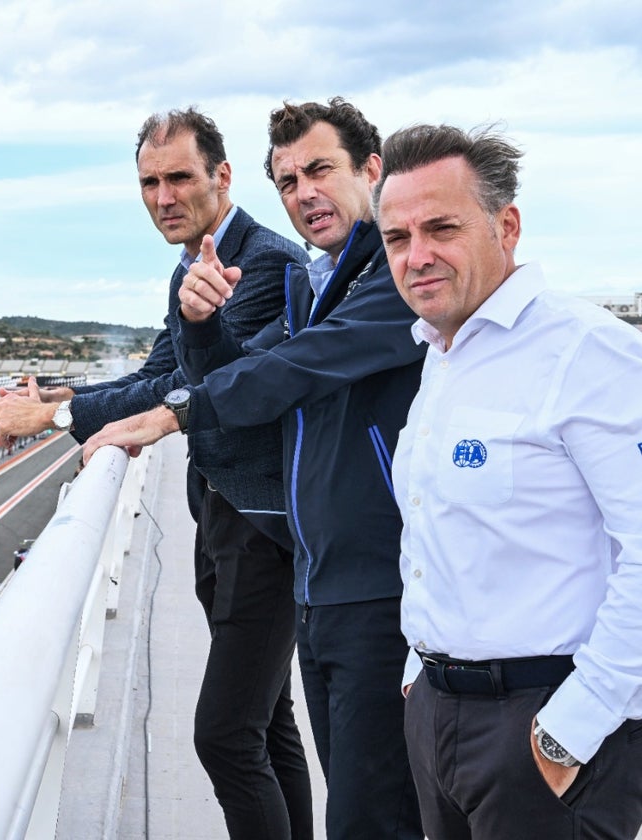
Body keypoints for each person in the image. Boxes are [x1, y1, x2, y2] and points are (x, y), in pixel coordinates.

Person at [83, 98, 425, 838]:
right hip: (317, 574)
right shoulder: (313, 281)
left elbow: (297, 366)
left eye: (320, 170)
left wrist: (174, 411)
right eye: (289, 179)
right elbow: (249, 375)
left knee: (366, 808)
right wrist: (201, 329)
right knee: (331, 782)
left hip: (375, 582)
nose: (304, 192)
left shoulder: (391, 278)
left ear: (372, 170)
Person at [0, 108, 313, 839]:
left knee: (224, 737)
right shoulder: (195, 260)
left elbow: (204, 395)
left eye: (180, 177)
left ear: (222, 176)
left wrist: (58, 422)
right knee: (265, 719)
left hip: (263, 529)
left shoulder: (264, 265)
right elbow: (161, 374)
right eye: (149, 182)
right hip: (224, 515)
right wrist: (56, 400)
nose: (163, 197)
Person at [373, 122, 642, 838]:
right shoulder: (441, 354)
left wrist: (568, 732)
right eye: (397, 238)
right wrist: (420, 673)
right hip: (438, 714)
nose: (417, 255)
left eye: (441, 228)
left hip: (552, 726)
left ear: (507, 225)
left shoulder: (592, 354)